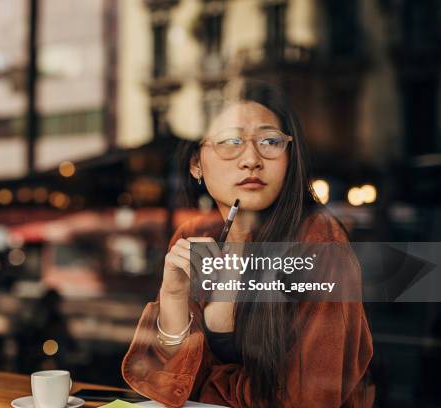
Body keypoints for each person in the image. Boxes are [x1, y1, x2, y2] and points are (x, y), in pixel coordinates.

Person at [121, 79, 374, 407]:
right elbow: (166, 384)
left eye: (270, 141)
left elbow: (305, 399)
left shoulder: (319, 242)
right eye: (230, 141)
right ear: (196, 163)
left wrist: (202, 383)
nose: (251, 159)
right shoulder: (194, 236)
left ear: (289, 159)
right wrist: (172, 297)